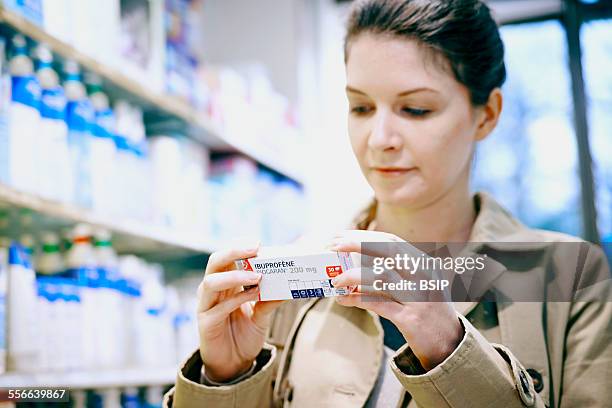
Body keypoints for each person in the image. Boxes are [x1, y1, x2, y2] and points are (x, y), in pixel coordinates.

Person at [164, 0, 612, 406]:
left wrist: (450, 349)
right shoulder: (300, 274)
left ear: (487, 114)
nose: (379, 140)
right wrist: (226, 378)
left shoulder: (569, 277)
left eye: (415, 110)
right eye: (360, 108)